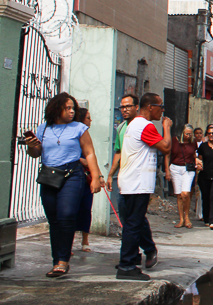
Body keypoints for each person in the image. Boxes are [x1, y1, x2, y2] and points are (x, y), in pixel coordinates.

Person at [23, 93, 104, 278]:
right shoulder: (44, 128)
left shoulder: (79, 128)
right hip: (49, 176)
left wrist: (95, 177)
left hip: (72, 175)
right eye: (67, 108)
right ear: (56, 109)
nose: (71, 111)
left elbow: (89, 153)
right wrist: (31, 145)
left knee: (66, 215)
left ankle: (63, 261)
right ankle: (56, 260)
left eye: (73, 108)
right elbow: (35, 153)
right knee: (54, 220)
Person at [117, 92, 173, 280]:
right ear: (150, 107)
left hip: (132, 181)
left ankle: (132, 259)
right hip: (137, 183)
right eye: (160, 106)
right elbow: (166, 147)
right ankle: (126, 266)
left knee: (134, 223)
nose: (162, 110)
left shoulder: (134, 124)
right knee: (134, 224)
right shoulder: (144, 126)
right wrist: (166, 127)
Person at [104, 94, 139, 193]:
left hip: (139, 178)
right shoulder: (121, 128)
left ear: (136, 107)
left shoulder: (143, 126)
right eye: (122, 107)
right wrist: (110, 175)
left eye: (128, 106)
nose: (124, 110)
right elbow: (119, 152)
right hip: (125, 177)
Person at [165, 125, 198, 229]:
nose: (188, 136)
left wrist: (197, 161)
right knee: (179, 195)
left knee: (185, 193)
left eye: (190, 134)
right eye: (187, 134)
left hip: (188, 169)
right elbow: (167, 155)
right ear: (182, 133)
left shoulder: (193, 142)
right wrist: (167, 171)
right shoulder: (174, 141)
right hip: (175, 168)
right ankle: (181, 219)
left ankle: (187, 217)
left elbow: (194, 154)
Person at [73, 107, 96, 253]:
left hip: (87, 178)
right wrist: (80, 160)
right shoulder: (74, 134)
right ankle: (69, 241)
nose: (90, 120)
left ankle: (85, 240)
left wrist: (97, 176)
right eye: (88, 117)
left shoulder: (87, 135)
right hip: (74, 177)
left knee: (86, 209)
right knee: (72, 210)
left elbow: (91, 156)